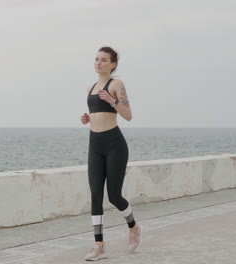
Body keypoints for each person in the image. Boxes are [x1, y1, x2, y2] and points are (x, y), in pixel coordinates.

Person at [81, 46, 141, 261]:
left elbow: (128, 115)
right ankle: (99, 246)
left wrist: (112, 100)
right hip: (94, 145)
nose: (98, 62)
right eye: (96, 59)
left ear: (113, 64)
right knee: (96, 194)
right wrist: (89, 118)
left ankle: (133, 227)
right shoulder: (90, 87)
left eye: (104, 60)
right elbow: (97, 112)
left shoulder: (116, 85)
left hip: (115, 144)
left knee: (114, 196)